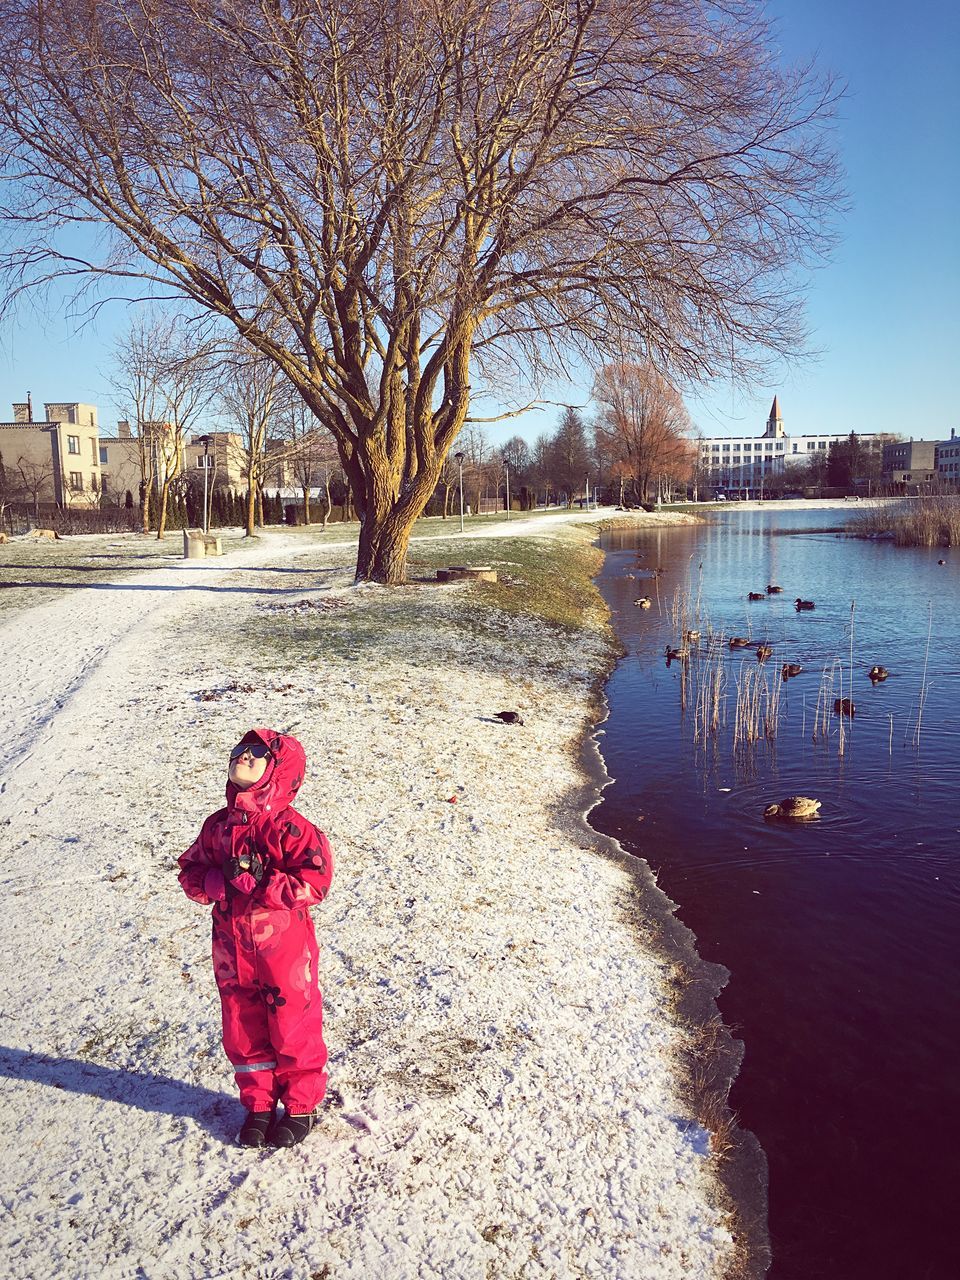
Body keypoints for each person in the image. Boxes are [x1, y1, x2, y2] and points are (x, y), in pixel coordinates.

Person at [178, 728, 333, 1148]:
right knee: (241, 1025)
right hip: (231, 951)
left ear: (278, 771)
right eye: (239, 750)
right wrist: (216, 882)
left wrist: (262, 880)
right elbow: (189, 873)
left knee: (292, 1024)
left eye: (257, 753)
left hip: (283, 951)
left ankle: (301, 1103)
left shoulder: (292, 830)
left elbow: (315, 884)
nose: (243, 757)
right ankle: (259, 1103)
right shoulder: (217, 828)